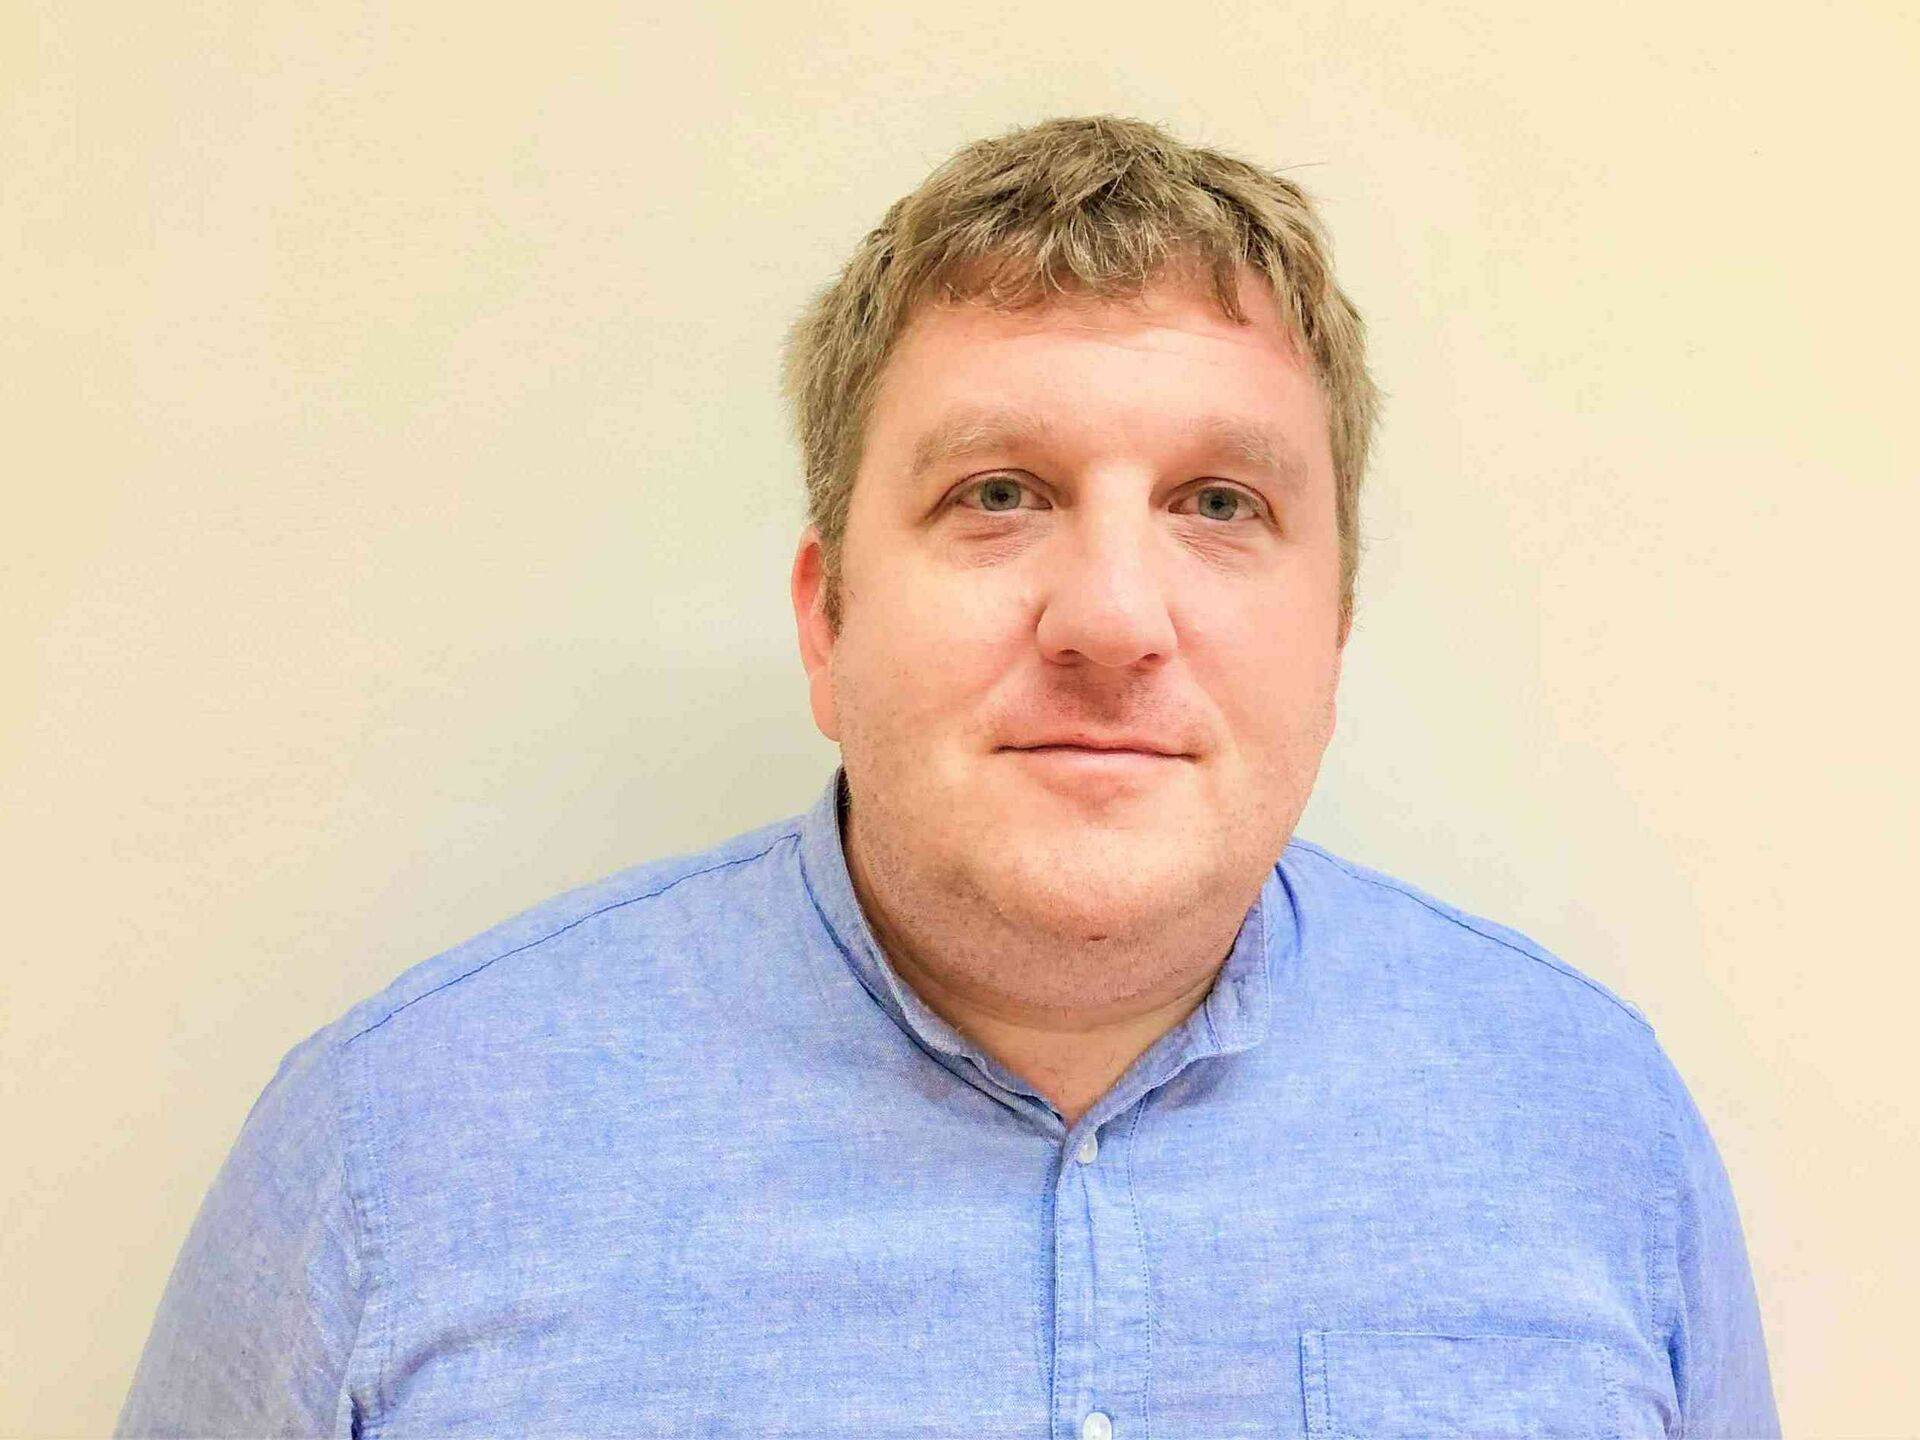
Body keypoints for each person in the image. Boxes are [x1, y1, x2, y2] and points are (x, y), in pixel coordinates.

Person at [118, 115, 1778, 1438]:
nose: (1112, 619)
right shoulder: (389, 1160)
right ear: (826, 619)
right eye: (997, 493)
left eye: (1219, 503)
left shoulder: (1597, 1136)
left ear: (1333, 632)